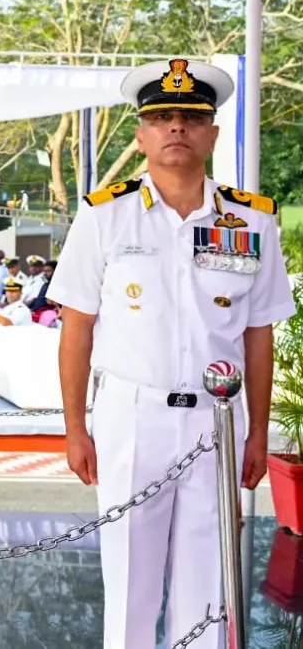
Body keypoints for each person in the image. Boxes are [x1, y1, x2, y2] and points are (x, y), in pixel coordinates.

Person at [48, 57, 295, 649]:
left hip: (218, 421)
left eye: (191, 117)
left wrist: (257, 431)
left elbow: (257, 332)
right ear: (141, 135)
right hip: (133, 416)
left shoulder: (250, 221)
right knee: (130, 582)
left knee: (208, 587)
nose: (176, 128)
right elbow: (77, 326)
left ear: (211, 133)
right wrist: (75, 427)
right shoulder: (104, 213)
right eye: (161, 118)